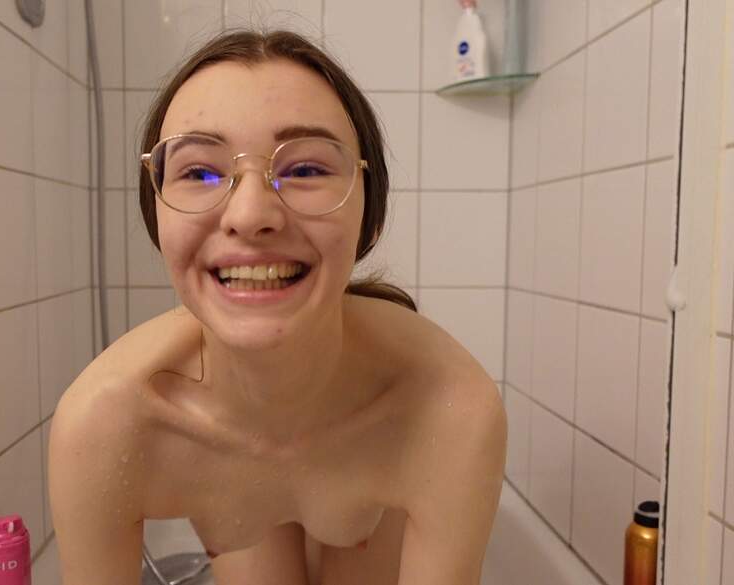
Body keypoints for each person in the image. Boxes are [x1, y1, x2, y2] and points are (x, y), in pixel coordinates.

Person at [49, 29, 506, 585]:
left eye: (306, 169)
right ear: (157, 216)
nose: (250, 215)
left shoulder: (446, 409)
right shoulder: (106, 424)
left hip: (375, 478)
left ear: (371, 215)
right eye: (200, 172)